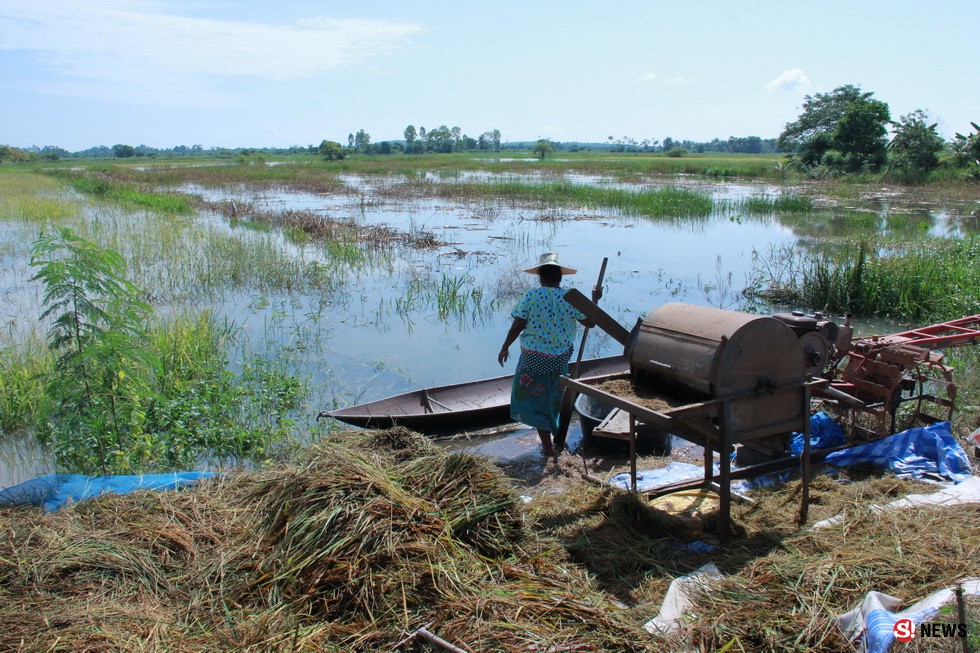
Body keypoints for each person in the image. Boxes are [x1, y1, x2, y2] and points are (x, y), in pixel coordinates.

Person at [498, 252, 600, 457]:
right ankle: (555, 440)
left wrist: (505, 346)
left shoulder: (532, 295)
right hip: (559, 359)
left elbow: (519, 323)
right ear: (560, 277)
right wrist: (594, 301)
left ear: (540, 277)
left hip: (532, 359)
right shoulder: (571, 298)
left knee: (532, 400)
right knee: (553, 398)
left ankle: (547, 445)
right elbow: (591, 322)